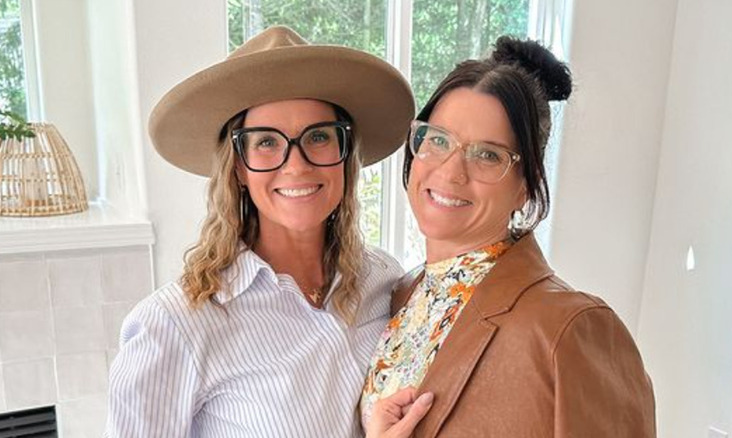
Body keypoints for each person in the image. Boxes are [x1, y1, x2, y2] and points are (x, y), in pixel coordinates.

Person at [105, 25, 430, 437]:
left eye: (318, 136)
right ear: (237, 168)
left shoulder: (382, 281)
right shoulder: (173, 326)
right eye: (265, 142)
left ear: (346, 156)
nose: (296, 165)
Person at [361, 36, 656, 437]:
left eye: (487, 154)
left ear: (527, 185)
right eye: (438, 140)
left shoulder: (571, 328)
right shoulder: (399, 294)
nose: (451, 171)